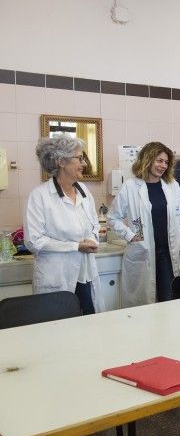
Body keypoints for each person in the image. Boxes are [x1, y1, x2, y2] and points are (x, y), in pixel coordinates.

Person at [24, 134, 103, 314]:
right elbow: (34, 241)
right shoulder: (40, 196)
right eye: (80, 158)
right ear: (61, 161)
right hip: (57, 278)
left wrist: (92, 239)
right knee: (58, 326)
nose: (84, 163)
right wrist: (76, 246)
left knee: (90, 323)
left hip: (85, 275)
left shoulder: (84, 191)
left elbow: (94, 224)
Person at [107, 142, 180, 306]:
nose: (163, 166)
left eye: (166, 162)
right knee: (144, 304)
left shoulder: (172, 185)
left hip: (167, 253)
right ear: (147, 160)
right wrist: (130, 235)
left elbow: (178, 216)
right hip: (143, 251)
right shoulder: (130, 186)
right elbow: (113, 217)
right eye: (159, 160)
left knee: (168, 301)